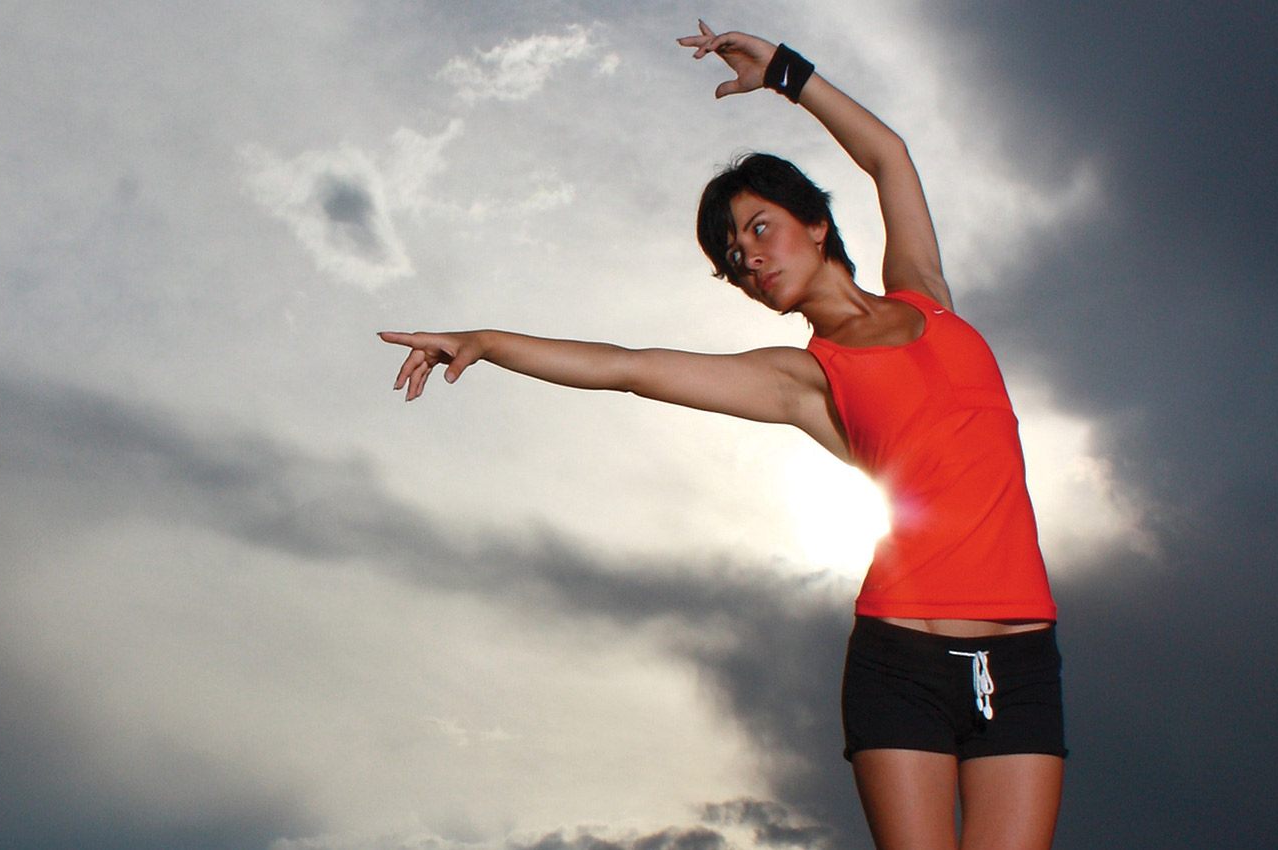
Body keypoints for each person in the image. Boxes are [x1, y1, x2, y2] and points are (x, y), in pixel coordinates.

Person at [377, 21, 1065, 850]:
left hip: (1023, 663)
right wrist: (487, 342)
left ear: (815, 223)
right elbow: (631, 368)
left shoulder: (927, 295)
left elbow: (889, 157)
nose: (748, 258)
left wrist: (785, 75)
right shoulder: (803, 381)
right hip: (903, 663)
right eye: (733, 257)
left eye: (758, 229)